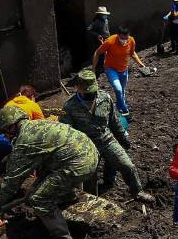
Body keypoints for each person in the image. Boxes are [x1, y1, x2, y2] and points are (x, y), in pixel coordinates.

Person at [0, 105, 98, 239]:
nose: (5, 136)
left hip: (78, 164)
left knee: (38, 199)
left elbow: (13, 180)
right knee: (43, 181)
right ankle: (66, 196)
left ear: (12, 126)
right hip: (89, 151)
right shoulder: (38, 124)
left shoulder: (24, 141)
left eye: (5, 132)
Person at [60, 69, 152, 202]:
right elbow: (67, 133)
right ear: (78, 89)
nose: (91, 95)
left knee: (127, 166)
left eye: (93, 91)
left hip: (106, 139)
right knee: (89, 178)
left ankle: (138, 192)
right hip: (86, 146)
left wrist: (123, 138)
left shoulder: (105, 98)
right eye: (88, 92)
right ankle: (92, 201)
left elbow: (115, 121)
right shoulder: (69, 107)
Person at [0, 86, 45, 190]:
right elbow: (41, 126)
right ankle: (32, 176)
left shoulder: (9, 103)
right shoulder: (33, 105)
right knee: (33, 148)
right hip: (10, 138)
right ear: (32, 96)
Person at [92, 26, 146, 117]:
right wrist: (93, 68)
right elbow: (97, 52)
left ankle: (119, 110)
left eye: (126, 38)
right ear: (118, 35)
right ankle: (124, 109)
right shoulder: (110, 41)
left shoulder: (131, 40)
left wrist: (140, 63)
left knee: (122, 90)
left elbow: (132, 53)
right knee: (118, 89)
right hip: (111, 69)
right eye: (122, 38)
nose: (124, 41)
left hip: (124, 69)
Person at [87, 6, 112, 78]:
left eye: (105, 14)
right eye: (103, 14)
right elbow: (88, 29)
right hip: (99, 39)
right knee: (101, 54)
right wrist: (97, 35)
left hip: (107, 38)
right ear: (100, 14)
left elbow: (107, 29)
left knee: (107, 53)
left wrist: (109, 36)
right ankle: (99, 69)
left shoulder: (106, 20)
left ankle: (104, 67)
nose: (105, 15)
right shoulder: (95, 21)